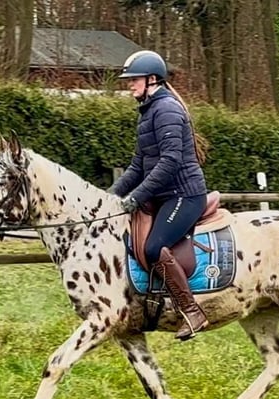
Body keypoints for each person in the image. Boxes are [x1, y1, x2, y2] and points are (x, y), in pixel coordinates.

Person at [109, 50, 209, 340]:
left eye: (134, 80)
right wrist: (108, 198)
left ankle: (191, 311)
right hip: (164, 196)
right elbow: (138, 166)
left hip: (184, 196)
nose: (129, 85)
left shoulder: (166, 110)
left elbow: (170, 162)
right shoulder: (148, 113)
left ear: (152, 80)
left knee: (154, 248)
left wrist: (136, 197)